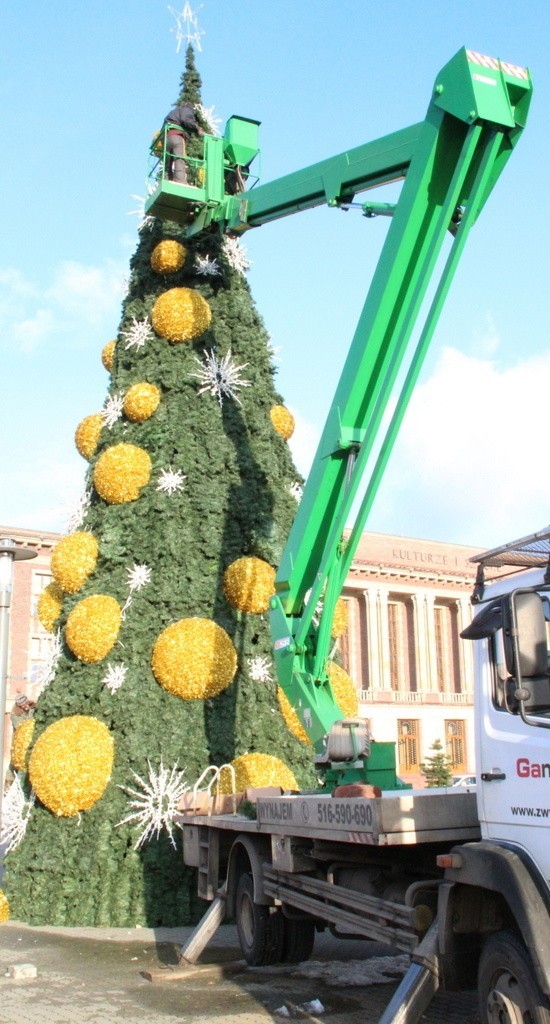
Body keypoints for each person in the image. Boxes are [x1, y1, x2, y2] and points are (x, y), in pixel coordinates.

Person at [163, 101, 202, 185]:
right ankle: (180, 180)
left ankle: (166, 179)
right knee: (179, 159)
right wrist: (197, 128)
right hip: (177, 136)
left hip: (168, 138)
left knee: (168, 162)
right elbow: (186, 119)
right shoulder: (186, 110)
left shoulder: (172, 112)